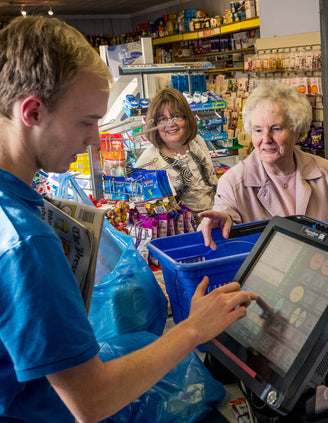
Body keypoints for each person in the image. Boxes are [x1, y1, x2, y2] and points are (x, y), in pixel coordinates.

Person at [0, 16, 257, 422]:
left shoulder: (15, 205)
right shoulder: (26, 241)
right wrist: (192, 328)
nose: (93, 139)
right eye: (85, 122)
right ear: (32, 111)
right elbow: (93, 400)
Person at [198, 84, 328, 249]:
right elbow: (224, 219)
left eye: (276, 129)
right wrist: (218, 223)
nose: (266, 138)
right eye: (258, 130)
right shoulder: (233, 182)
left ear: (297, 131)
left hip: (324, 273)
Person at [135, 87, 218, 221]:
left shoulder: (197, 141)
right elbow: (146, 214)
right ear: (154, 124)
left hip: (216, 221)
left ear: (187, 118)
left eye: (176, 116)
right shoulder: (148, 162)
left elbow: (211, 184)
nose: (170, 124)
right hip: (183, 234)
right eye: (163, 119)